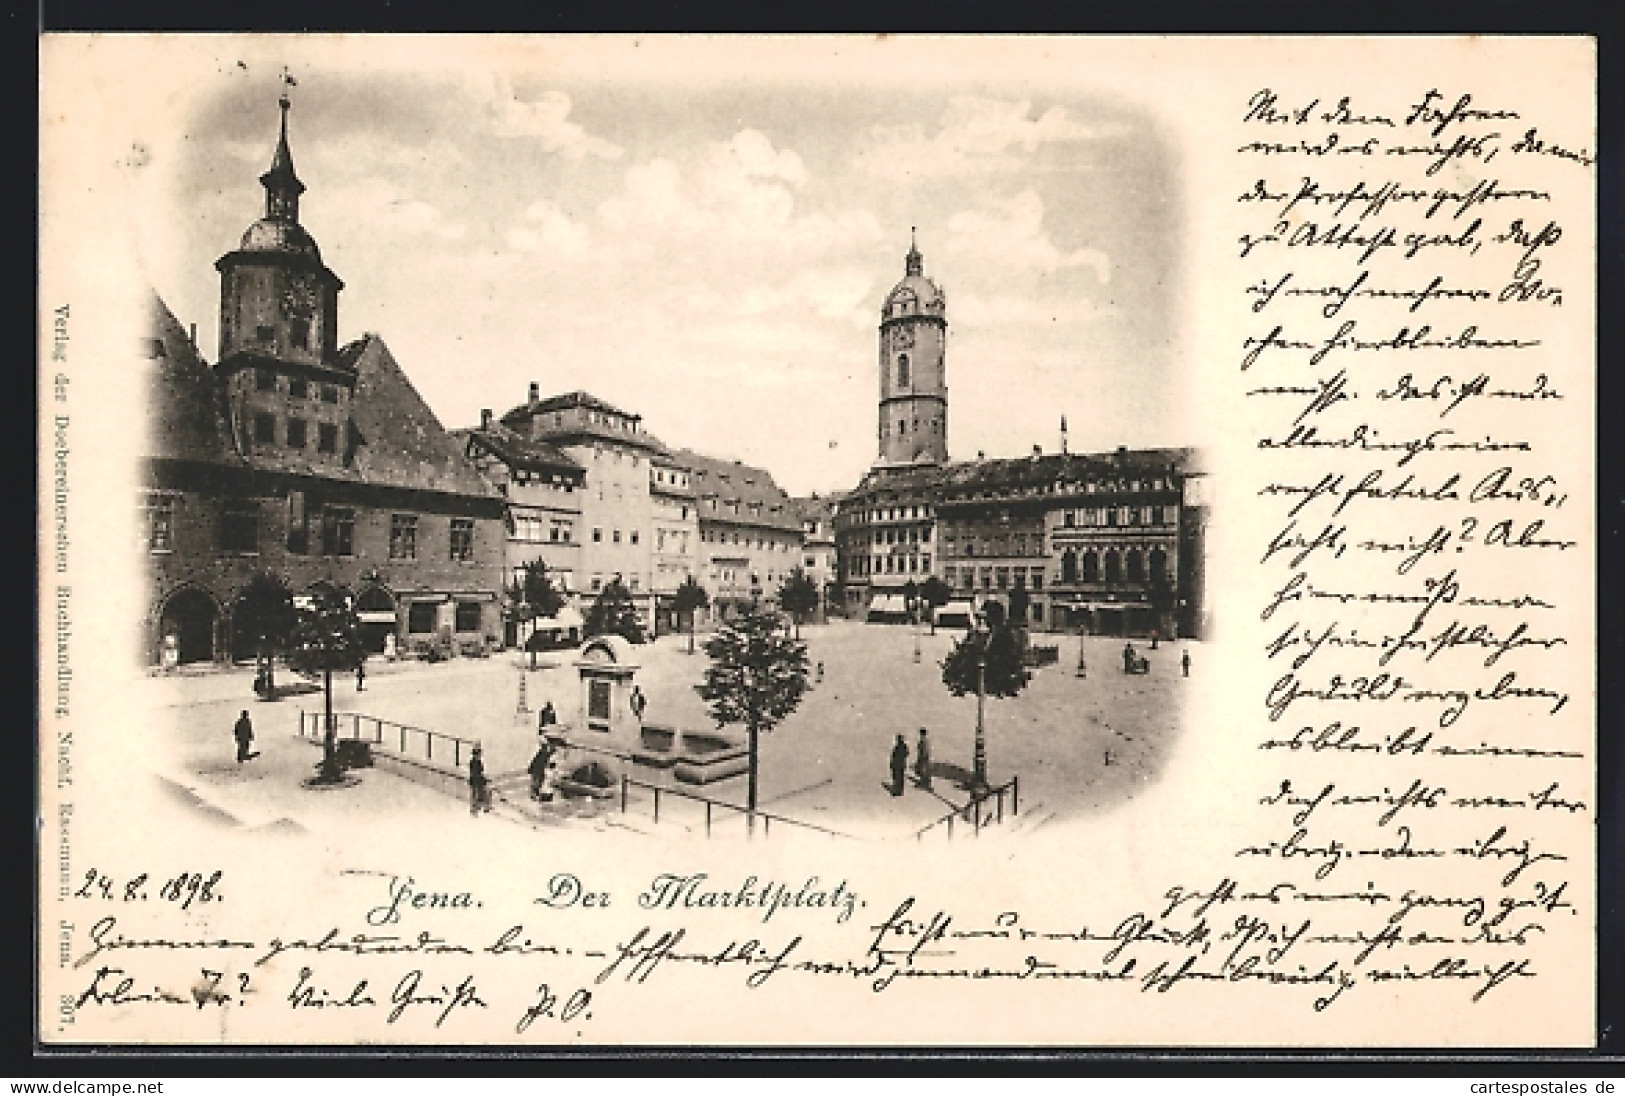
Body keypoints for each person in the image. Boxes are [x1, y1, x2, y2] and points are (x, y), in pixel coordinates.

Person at [468, 744, 490, 815]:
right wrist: (483, 779)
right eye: (479, 754)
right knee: (480, 793)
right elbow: (477, 772)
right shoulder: (475, 762)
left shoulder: (475, 762)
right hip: (477, 780)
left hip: (476, 780)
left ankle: (478, 807)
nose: (479, 756)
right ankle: (479, 807)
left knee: (478, 793)